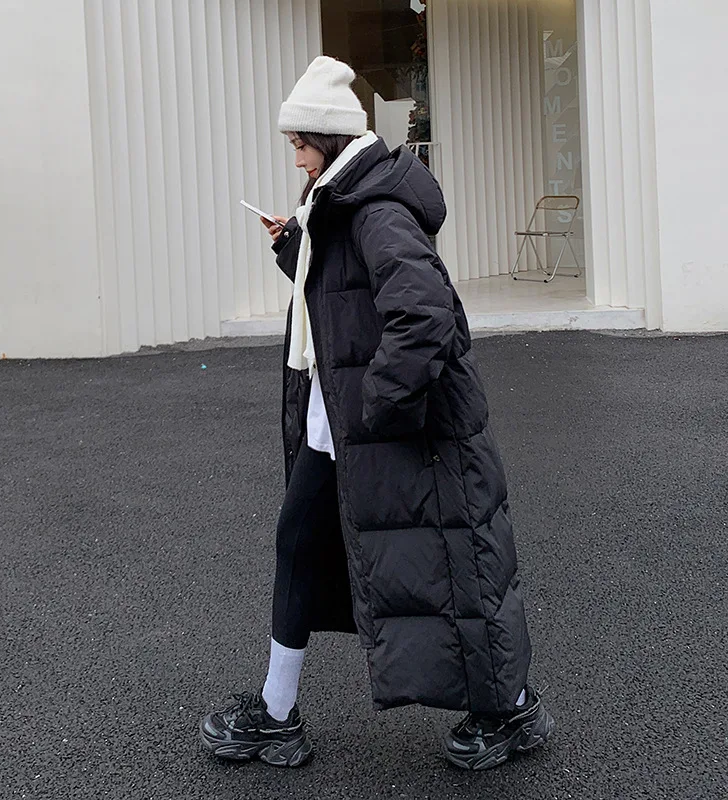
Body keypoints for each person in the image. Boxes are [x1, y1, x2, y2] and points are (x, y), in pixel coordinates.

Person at [200, 55, 554, 772]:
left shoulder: (377, 208)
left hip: (403, 425)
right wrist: (294, 248)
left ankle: (515, 711)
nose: (294, 159)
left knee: (460, 560)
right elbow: (345, 291)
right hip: (347, 428)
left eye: (300, 144)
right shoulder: (343, 200)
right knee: (304, 543)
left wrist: (377, 406)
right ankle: (275, 712)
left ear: (328, 139)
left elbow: (421, 312)